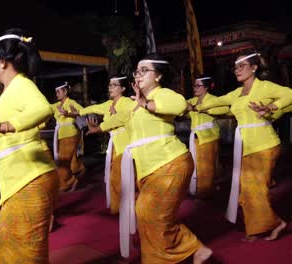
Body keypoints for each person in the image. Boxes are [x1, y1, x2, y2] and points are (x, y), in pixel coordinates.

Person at [89, 54, 212, 263]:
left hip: (170, 162)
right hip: (148, 170)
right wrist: (98, 128)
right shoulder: (133, 104)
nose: (139, 75)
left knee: (149, 212)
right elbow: (119, 119)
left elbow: (179, 104)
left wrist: (147, 103)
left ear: (159, 75)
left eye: (144, 70)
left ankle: (188, 249)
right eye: (137, 71)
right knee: (148, 214)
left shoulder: (163, 94)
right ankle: (191, 249)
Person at [0, 29, 59, 263]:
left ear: (3, 62)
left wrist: (5, 126)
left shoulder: (22, 84)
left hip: (30, 177)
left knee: (21, 248)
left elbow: (44, 110)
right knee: (9, 237)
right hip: (22, 178)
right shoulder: (11, 90)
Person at [198, 51, 292, 241]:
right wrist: (196, 106)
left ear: (254, 68)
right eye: (235, 67)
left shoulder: (265, 87)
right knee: (246, 189)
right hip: (247, 147)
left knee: (256, 188)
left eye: (242, 66)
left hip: (265, 144)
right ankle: (257, 227)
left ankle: (272, 224)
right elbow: (218, 101)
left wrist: (271, 107)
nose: (237, 70)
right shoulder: (237, 93)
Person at [68, 75, 134, 214]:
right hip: (116, 146)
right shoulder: (109, 104)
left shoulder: (127, 103)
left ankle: (128, 208)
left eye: (114, 85)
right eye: (110, 85)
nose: (110, 88)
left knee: (118, 178)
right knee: (116, 178)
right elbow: (95, 108)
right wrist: (78, 112)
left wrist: (98, 128)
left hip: (126, 147)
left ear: (123, 88)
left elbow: (118, 120)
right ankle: (121, 208)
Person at [186, 76, 229, 198]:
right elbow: (183, 107)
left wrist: (205, 110)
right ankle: (201, 187)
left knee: (206, 166)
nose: (195, 88)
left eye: (198, 86)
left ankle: (204, 192)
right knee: (197, 165)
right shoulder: (192, 100)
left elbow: (225, 108)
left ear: (206, 87)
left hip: (209, 137)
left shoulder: (213, 100)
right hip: (195, 137)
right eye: (194, 85)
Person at [51, 83, 85, 192]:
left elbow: (81, 112)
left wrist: (69, 113)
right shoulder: (56, 105)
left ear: (65, 92)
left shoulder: (71, 102)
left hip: (70, 134)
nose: (56, 94)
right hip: (61, 135)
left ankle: (67, 182)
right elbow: (44, 108)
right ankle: (73, 176)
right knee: (66, 160)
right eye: (56, 92)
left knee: (63, 161)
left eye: (58, 91)